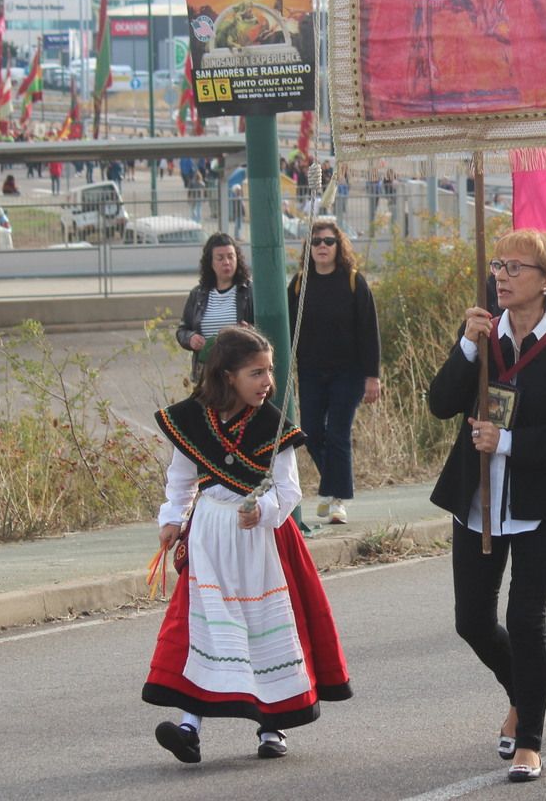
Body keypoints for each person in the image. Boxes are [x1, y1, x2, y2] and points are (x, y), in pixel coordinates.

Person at [427, 229, 546, 784]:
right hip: (475, 499)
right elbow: (441, 403)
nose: (500, 275)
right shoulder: (480, 331)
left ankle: (530, 740)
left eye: (515, 267)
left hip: (536, 502)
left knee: (526, 619)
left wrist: (510, 442)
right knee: (472, 621)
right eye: (498, 264)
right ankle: (521, 695)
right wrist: (467, 348)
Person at [143, 326, 351, 763]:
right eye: (256, 373)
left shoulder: (273, 425)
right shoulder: (193, 419)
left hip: (260, 541)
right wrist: (172, 520)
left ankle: (272, 727)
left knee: (262, 625)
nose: (266, 382)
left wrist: (264, 511)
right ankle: (189, 727)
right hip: (210, 537)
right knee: (208, 626)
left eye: (269, 372)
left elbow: (288, 489)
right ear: (227, 375)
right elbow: (181, 480)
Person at [288, 218, 382, 525]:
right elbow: (290, 328)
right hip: (311, 371)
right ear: (308, 248)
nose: (322, 247)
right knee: (311, 432)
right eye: (316, 242)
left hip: (349, 372)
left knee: (337, 433)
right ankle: (334, 486)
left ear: (338, 246)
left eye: (328, 241)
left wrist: (372, 376)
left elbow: (369, 331)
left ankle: (337, 499)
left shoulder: (354, 281)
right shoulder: (299, 284)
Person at [175, 233, 254, 383]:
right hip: (207, 374)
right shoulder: (198, 294)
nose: (227, 262)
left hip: (240, 370)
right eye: (220, 258)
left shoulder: (249, 291)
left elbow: (266, 331)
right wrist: (191, 338)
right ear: (210, 262)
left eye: (231, 256)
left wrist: (251, 332)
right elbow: (182, 330)